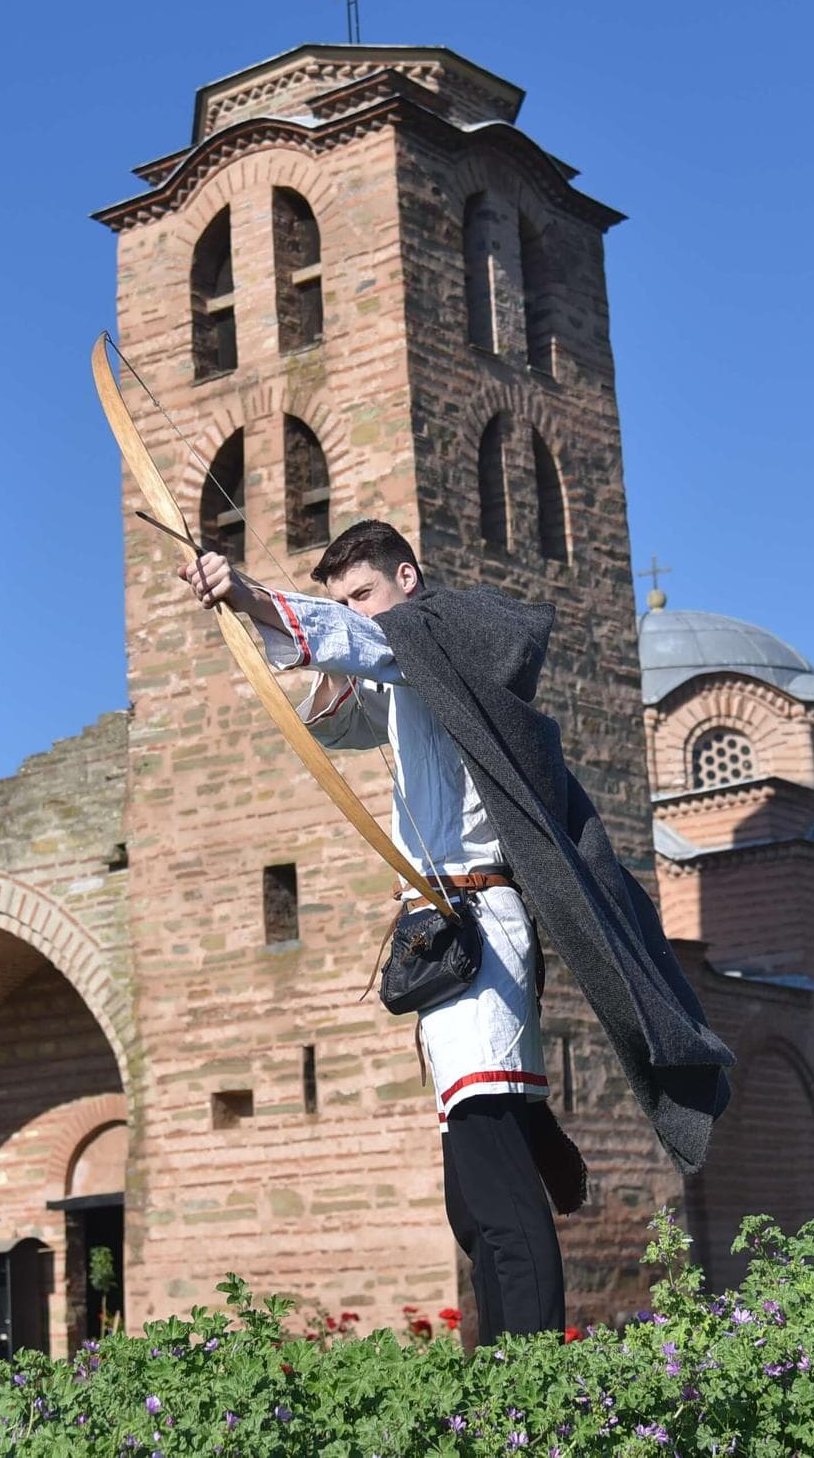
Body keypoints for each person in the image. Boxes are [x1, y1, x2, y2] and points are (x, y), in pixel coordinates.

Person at [178, 519, 732, 1338]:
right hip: (448, 939)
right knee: (471, 1200)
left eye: (365, 593)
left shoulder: (451, 634)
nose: (358, 613)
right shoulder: (408, 675)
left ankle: (533, 1385)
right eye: (343, 601)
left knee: (498, 1188)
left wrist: (252, 593)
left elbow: (362, 643)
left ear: (408, 577)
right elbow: (338, 712)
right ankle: (507, 1380)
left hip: (479, 931)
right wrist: (248, 624)